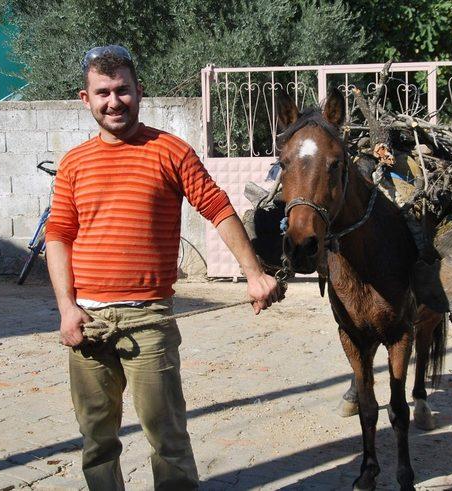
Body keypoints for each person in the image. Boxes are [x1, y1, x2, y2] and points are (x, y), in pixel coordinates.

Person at [45, 45, 281, 490]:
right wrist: (66, 308)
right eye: (103, 93)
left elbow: (217, 207)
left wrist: (254, 273)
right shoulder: (74, 163)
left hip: (148, 318)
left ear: (140, 92)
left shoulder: (170, 151)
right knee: (97, 442)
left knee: (168, 440)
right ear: (85, 99)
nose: (114, 101)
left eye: (123, 90)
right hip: (87, 320)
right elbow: (58, 235)